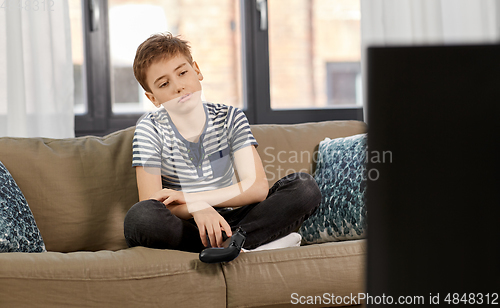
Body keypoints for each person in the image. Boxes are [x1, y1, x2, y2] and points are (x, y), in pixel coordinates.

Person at [123, 32, 321, 260]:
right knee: (140, 217)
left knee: (304, 186)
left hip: (235, 220)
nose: (178, 86)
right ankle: (244, 244)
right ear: (153, 98)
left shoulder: (229, 117)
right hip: (186, 225)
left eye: (183, 73)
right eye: (164, 83)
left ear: (197, 70)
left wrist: (197, 199)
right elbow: (153, 200)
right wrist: (196, 207)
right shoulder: (150, 129)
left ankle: (233, 241)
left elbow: (256, 188)